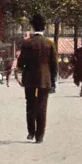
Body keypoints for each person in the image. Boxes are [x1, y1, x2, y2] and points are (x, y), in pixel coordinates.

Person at [16, 14, 58, 144]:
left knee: (30, 105)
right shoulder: (49, 43)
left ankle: (31, 131)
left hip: (29, 79)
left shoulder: (27, 43)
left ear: (33, 27)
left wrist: (21, 69)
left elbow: (21, 63)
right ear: (44, 27)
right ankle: (40, 135)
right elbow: (54, 65)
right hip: (45, 79)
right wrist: (53, 81)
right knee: (42, 106)